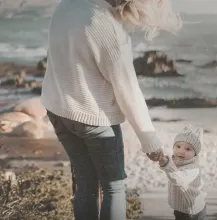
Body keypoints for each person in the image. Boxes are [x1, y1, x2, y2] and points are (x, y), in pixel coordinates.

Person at [40, 0, 182, 219]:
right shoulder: (107, 25)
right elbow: (128, 91)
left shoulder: (66, 4)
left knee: (86, 184)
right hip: (93, 118)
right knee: (114, 187)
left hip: (59, 110)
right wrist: (149, 141)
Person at [159, 124, 207, 220]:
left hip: (191, 213)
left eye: (188, 149)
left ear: (195, 153)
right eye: (178, 146)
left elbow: (178, 178)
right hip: (181, 209)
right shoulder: (177, 163)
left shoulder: (193, 169)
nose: (181, 151)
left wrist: (166, 163)